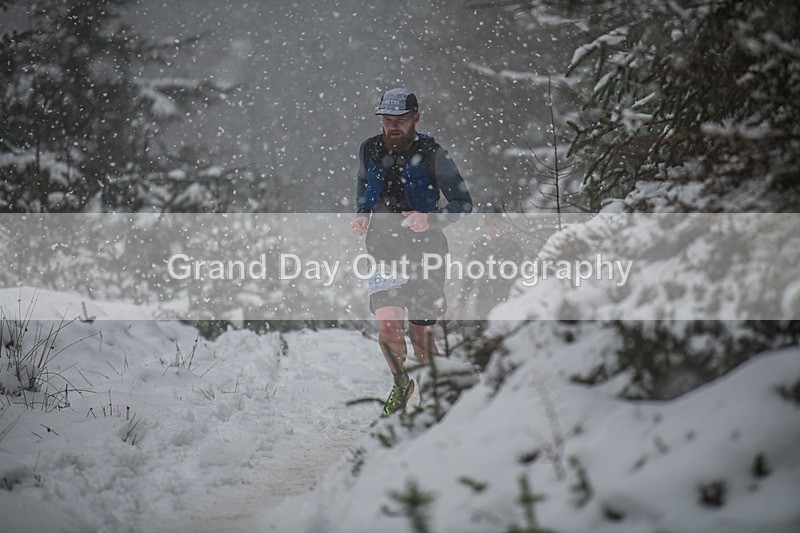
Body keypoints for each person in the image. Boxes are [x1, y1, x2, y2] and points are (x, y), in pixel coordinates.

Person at [350, 88, 472, 417]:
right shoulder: (370, 149)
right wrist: (362, 213)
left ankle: (434, 390)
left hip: (426, 251)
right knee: (388, 325)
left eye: (400, 120)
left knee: (421, 333)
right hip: (383, 250)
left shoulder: (434, 154)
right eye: (387, 120)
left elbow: (464, 204)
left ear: (416, 118)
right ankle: (401, 382)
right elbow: (364, 186)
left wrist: (431, 220)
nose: (392, 127)